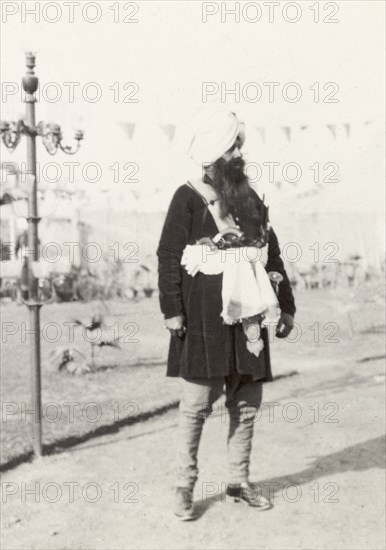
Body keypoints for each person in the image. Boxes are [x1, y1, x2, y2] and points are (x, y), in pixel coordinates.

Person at [157, 108, 296, 520]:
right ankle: (184, 486)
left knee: (247, 403)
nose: (240, 152)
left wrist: (285, 305)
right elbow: (168, 256)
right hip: (202, 319)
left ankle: (239, 480)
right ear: (216, 152)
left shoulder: (251, 198)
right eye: (234, 145)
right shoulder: (187, 196)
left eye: (239, 144)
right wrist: (172, 309)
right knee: (196, 404)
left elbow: (272, 253)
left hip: (250, 318)